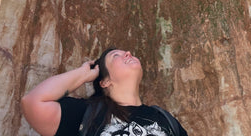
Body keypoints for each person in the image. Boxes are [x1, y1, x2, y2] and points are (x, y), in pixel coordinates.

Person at [21, 47, 188, 136]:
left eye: (126, 52)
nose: (128, 53)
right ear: (105, 81)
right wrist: (83, 74)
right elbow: (33, 102)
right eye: (116, 55)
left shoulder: (164, 119)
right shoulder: (87, 113)